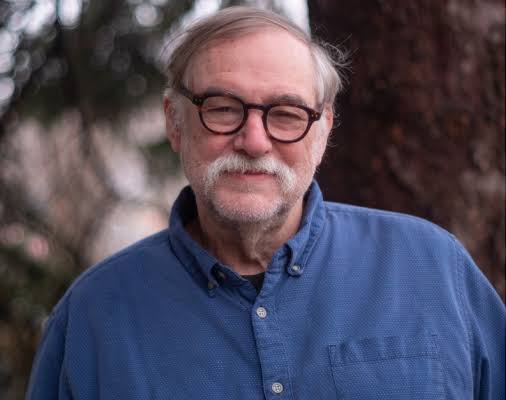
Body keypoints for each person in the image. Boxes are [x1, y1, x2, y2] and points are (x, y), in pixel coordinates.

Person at [26, 6, 504, 400]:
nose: (254, 141)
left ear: (323, 129)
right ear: (175, 122)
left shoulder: (432, 269)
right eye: (223, 108)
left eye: (286, 113)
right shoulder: (92, 318)